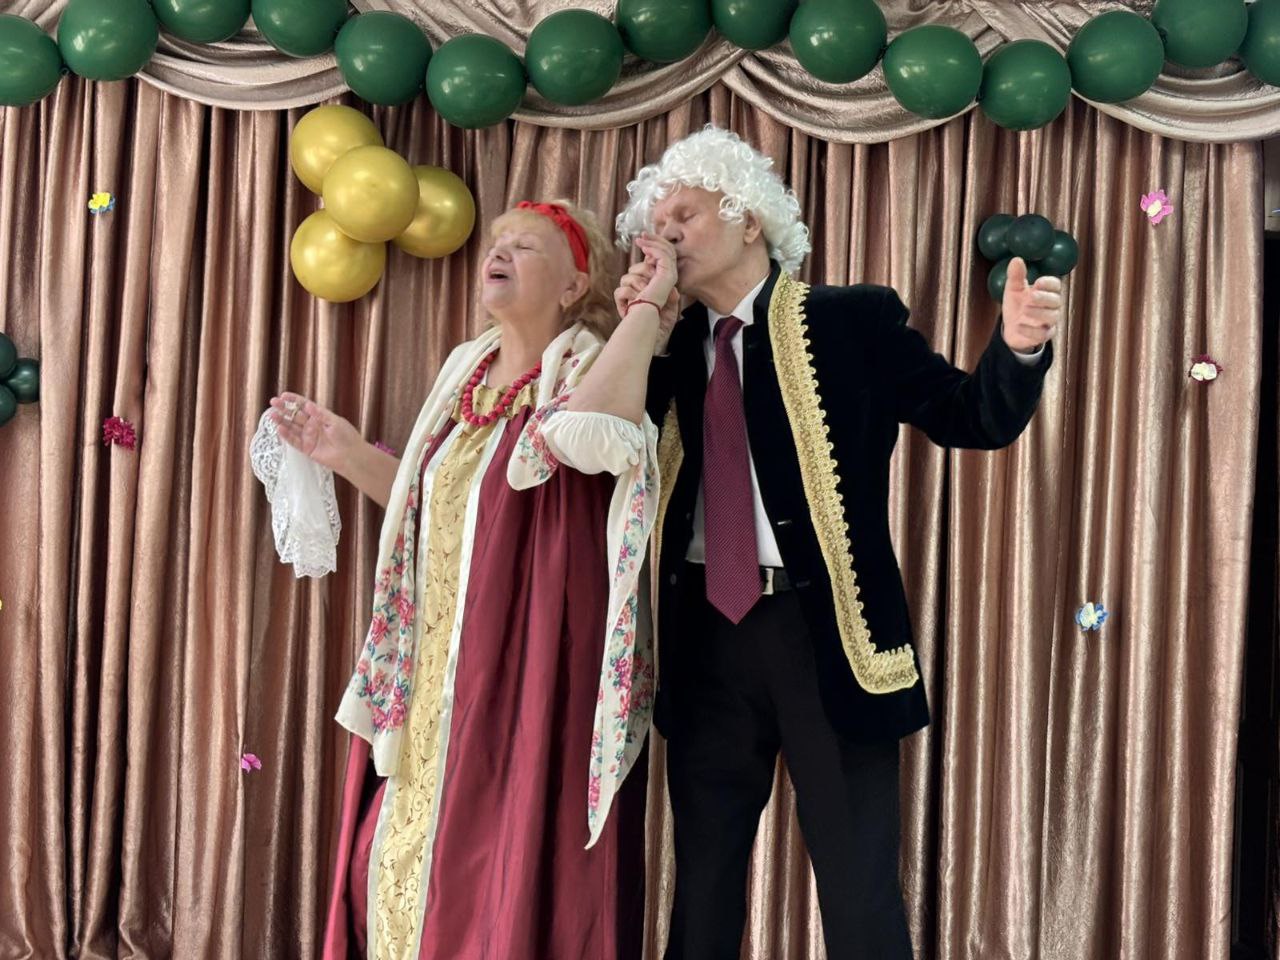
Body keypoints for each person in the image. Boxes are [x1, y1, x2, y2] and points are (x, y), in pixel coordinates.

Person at [570, 127, 1060, 959]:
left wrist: (1017, 349)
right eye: (656, 223)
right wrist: (641, 323)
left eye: (685, 214)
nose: (666, 233)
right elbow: (588, 443)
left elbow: (970, 417)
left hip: (826, 636)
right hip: (705, 637)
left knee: (858, 886)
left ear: (747, 218)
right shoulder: (664, 343)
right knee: (702, 890)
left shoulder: (850, 319)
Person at [265, 200, 659, 959]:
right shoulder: (462, 373)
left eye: (526, 246)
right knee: (398, 856)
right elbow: (434, 510)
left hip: (530, 666)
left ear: (575, 286)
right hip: (431, 666)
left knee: (499, 858)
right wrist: (347, 453)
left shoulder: (585, 366)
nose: (498, 252)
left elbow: (588, 451)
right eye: (497, 242)